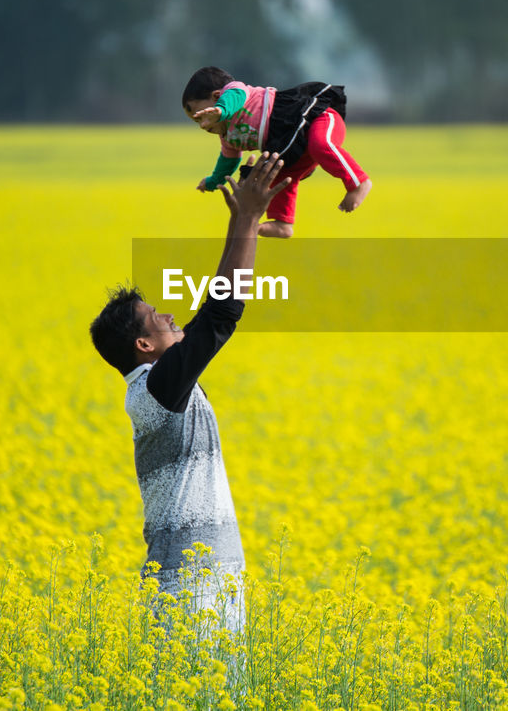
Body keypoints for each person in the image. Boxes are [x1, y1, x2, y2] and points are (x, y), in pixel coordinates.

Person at [89, 153, 289, 635]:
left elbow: (212, 312)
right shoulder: (157, 389)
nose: (170, 318)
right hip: (191, 592)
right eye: (157, 318)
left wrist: (244, 219)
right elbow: (219, 315)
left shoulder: (157, 390)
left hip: (204, 584)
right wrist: (245, 218)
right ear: (143, 346)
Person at [183, 65, 373, 239]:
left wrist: (220, 110)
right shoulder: (228, 137)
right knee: (278, 173)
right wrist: (212, 181)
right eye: (197, 121)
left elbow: (235, 97)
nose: (203, 125)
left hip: (316, 118)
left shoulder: (236, 91)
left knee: (320, 144)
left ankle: (358, 182)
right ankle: (283, 223)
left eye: (202, 116)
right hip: (290, 145)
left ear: (217, 96)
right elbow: (227, 162)